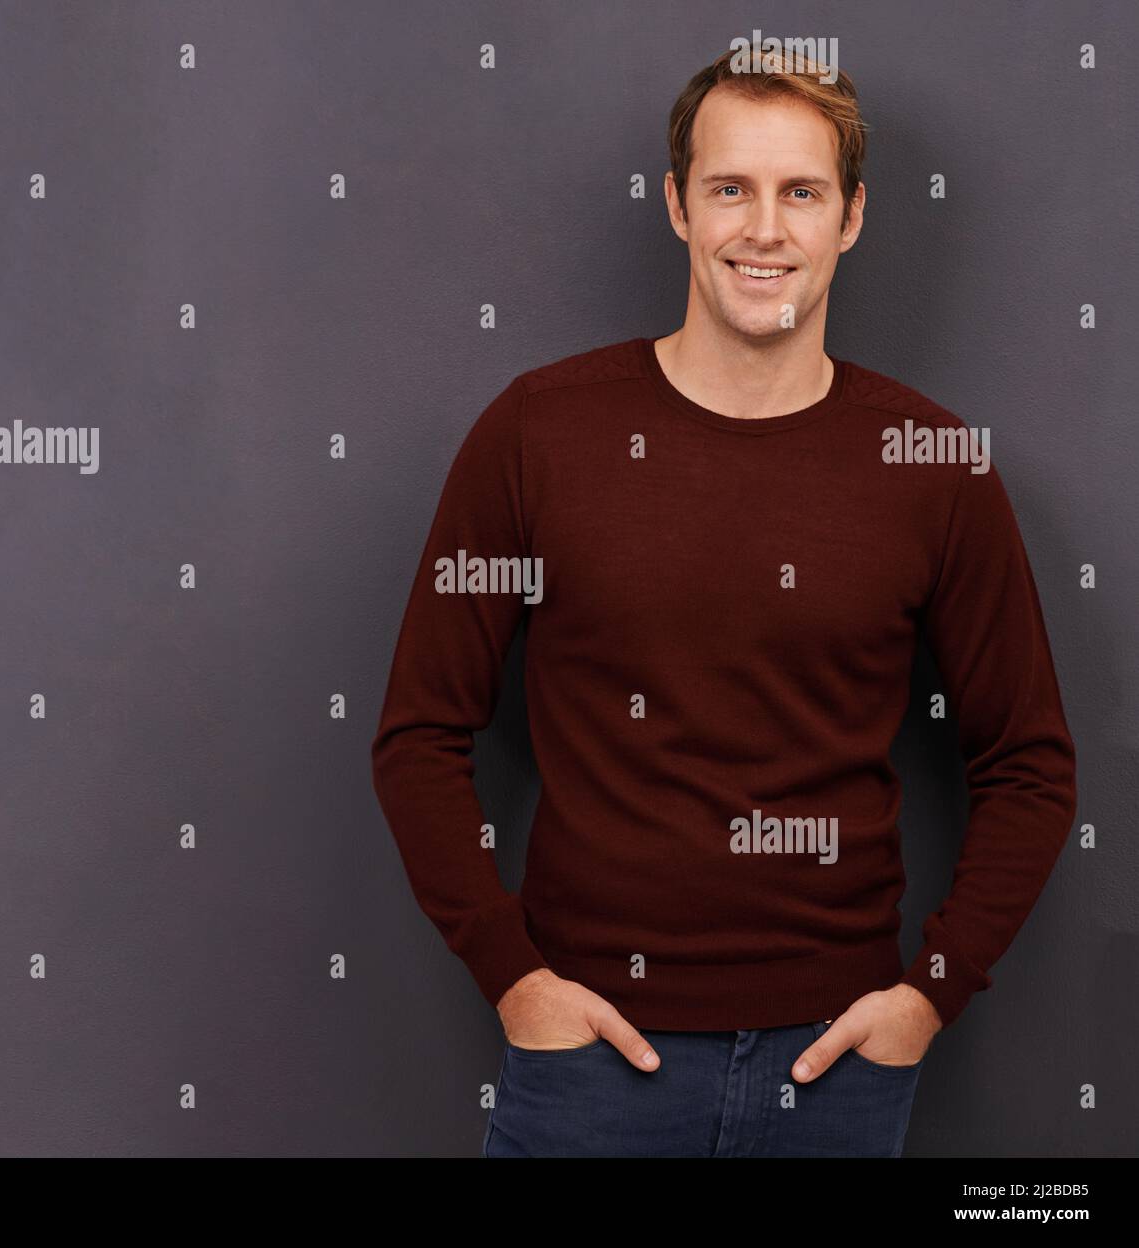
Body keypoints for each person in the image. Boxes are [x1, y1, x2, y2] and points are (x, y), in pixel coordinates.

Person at [370, 42, 1077, 1157]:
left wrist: (925, 999)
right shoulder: (537, 435)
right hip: (587, 1068)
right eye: (729, 189)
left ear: (849, 217)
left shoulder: (930, 462)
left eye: (800, 191)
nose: (763, 228)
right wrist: (515, 983)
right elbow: (417, 734)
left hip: (836, 1074)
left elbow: (1029, 764)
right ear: (676, 207)